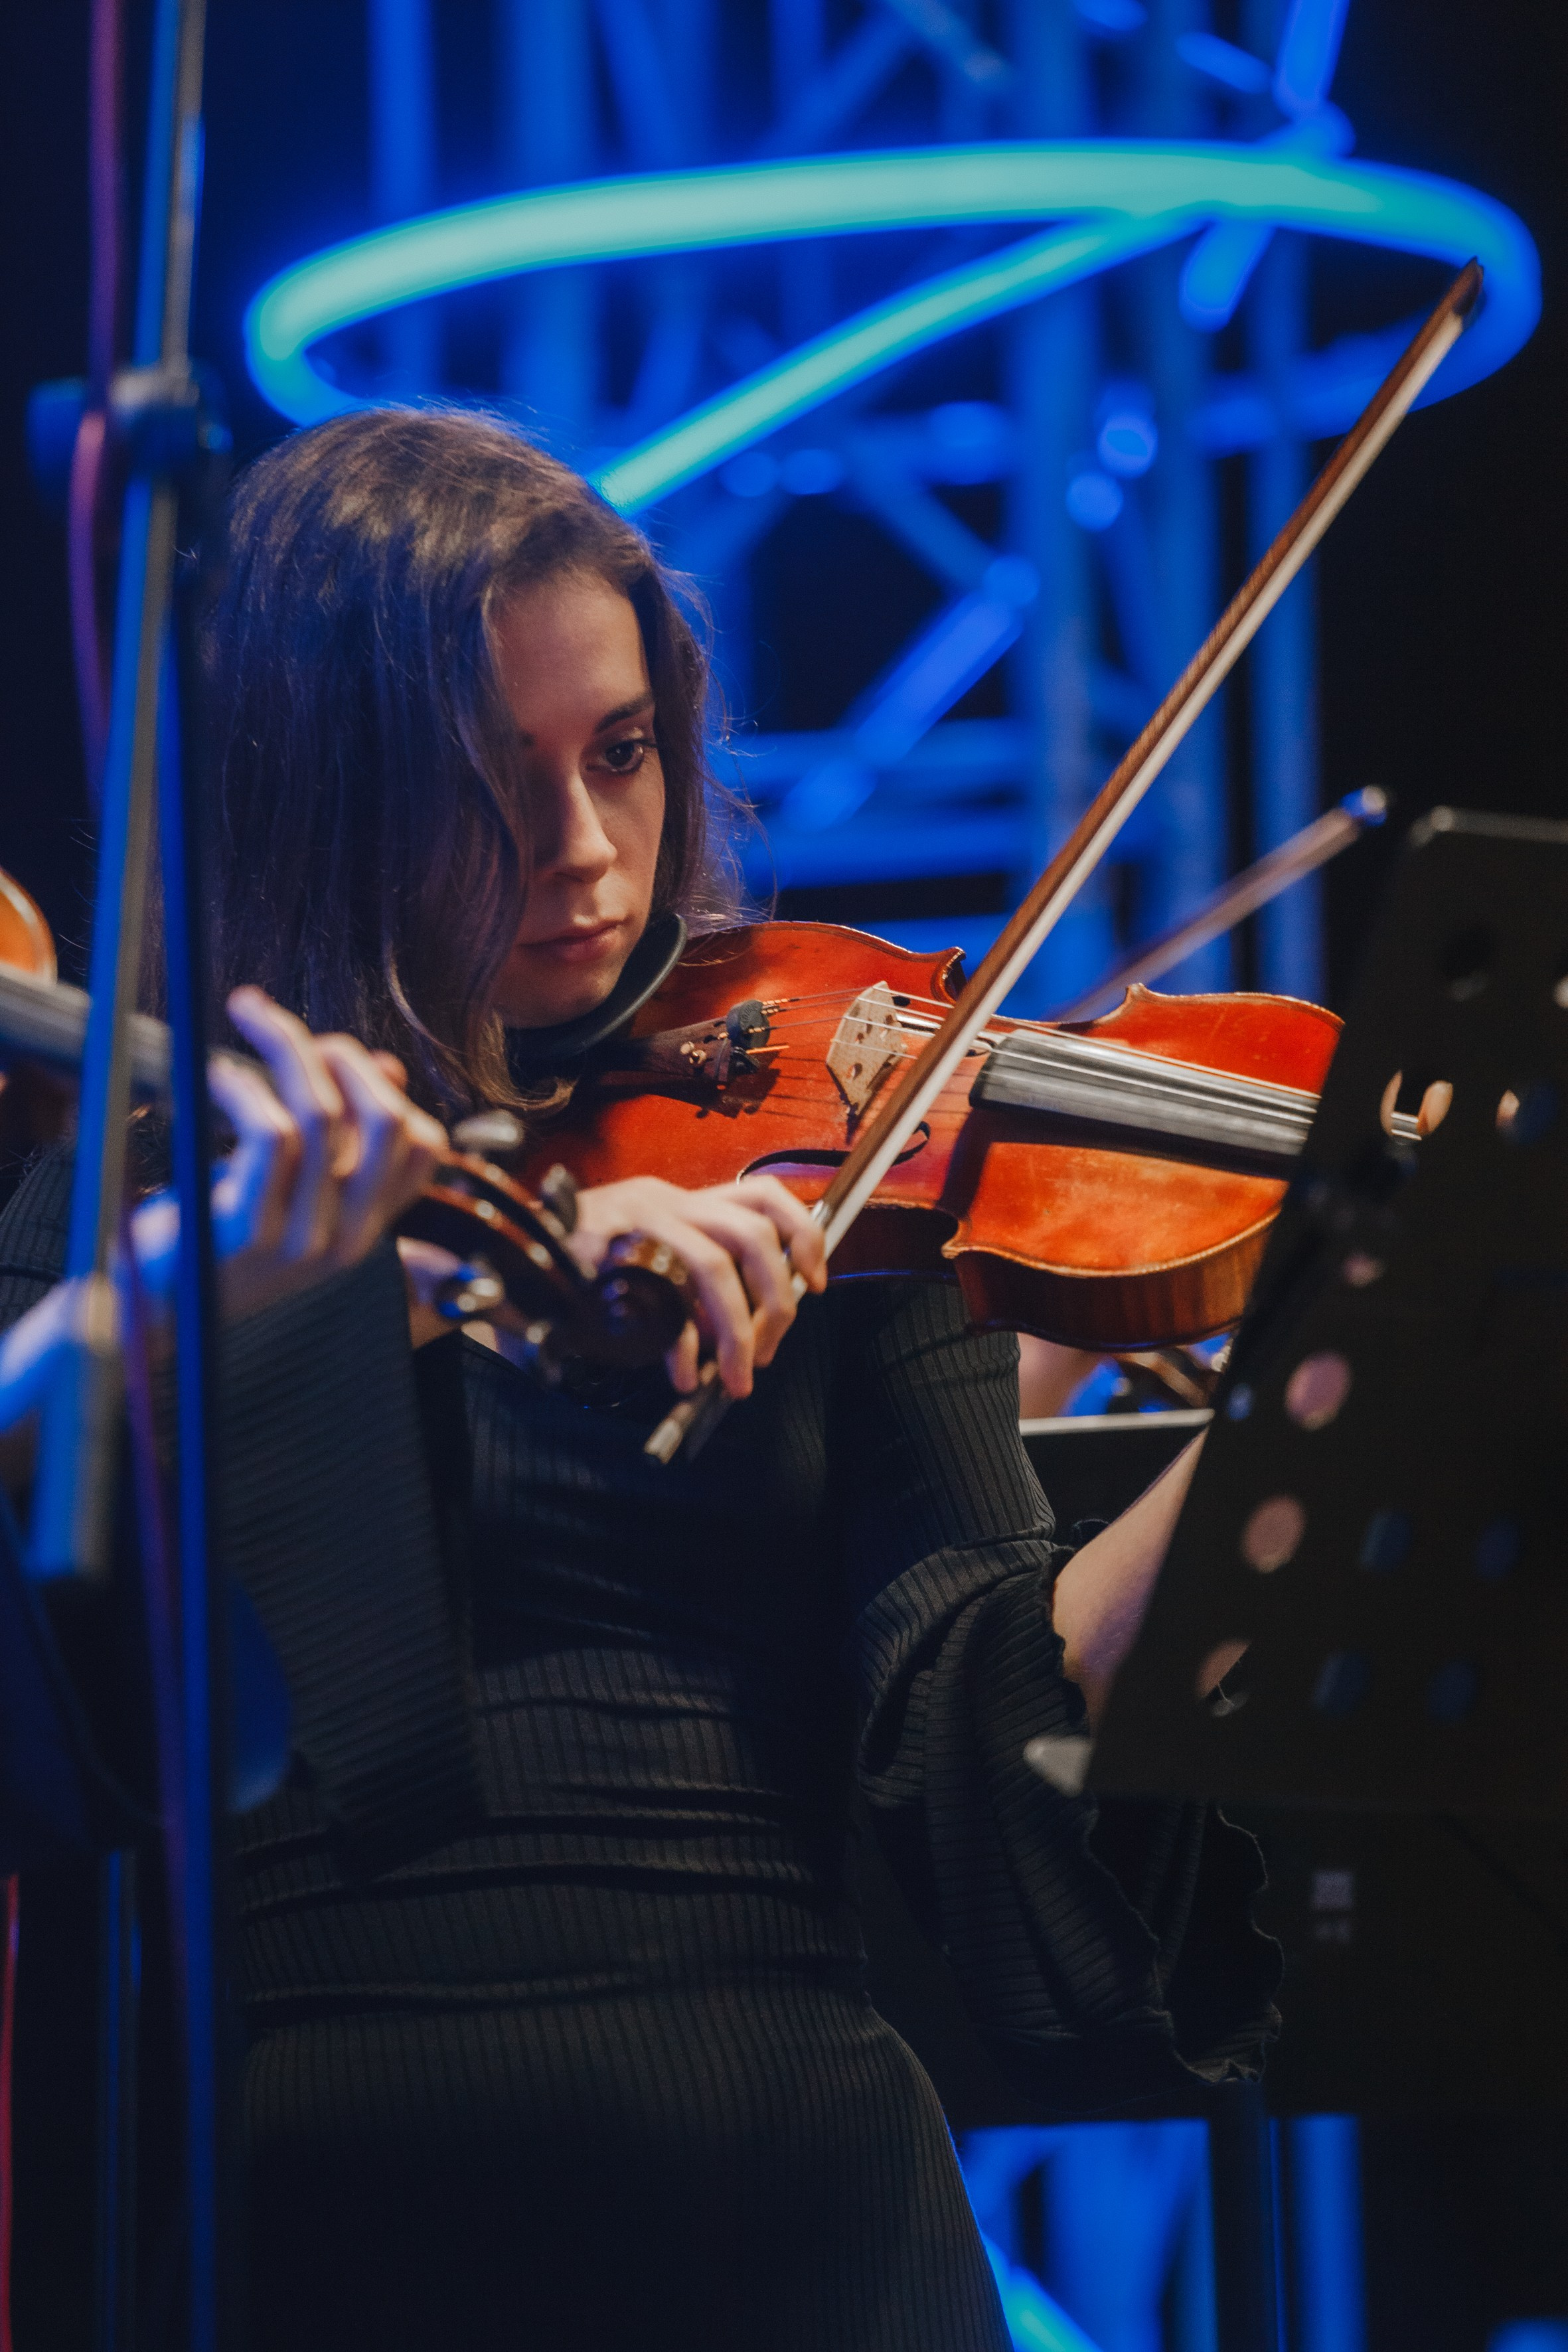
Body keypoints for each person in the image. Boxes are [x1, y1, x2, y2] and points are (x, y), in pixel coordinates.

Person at [0, 408, 1277, 2351]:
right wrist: (309, 1291)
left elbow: (989, 1740)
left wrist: (1303, 1414)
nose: (587, 855)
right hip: (337, 2220)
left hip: (804, 2199)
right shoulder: (141, 1212)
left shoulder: (837, 1141)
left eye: (622, 755)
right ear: (317, 789)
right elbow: (142, 1745)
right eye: (485, 786)